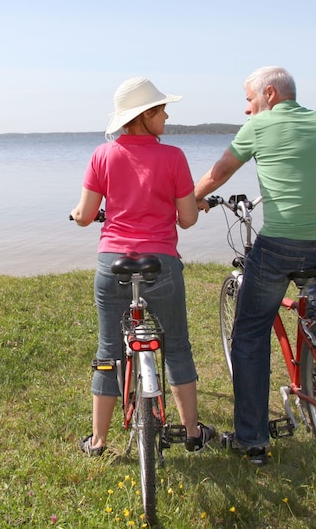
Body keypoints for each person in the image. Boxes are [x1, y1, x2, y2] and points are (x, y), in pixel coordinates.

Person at [194, 66, 316, 465]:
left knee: (248, 334)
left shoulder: (259, 128)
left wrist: (189, 199)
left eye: (249, 100)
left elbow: (218, 174)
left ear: (269, 93)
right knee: (313, 312)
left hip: (284, 245)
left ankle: (252, 438)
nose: (247, 110)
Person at [71, 76, 215, 457]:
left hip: (112, 264)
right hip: (162, 264)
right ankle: (192, 433)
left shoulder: (103, 156)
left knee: (108, 351)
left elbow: (86, 216)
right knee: (178, 347)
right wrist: (185, 207)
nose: (167, 116)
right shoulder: (174, 157)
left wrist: (76, 213)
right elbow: (187, 220)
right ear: (145, 114)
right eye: (162, 109)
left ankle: (98, 441)